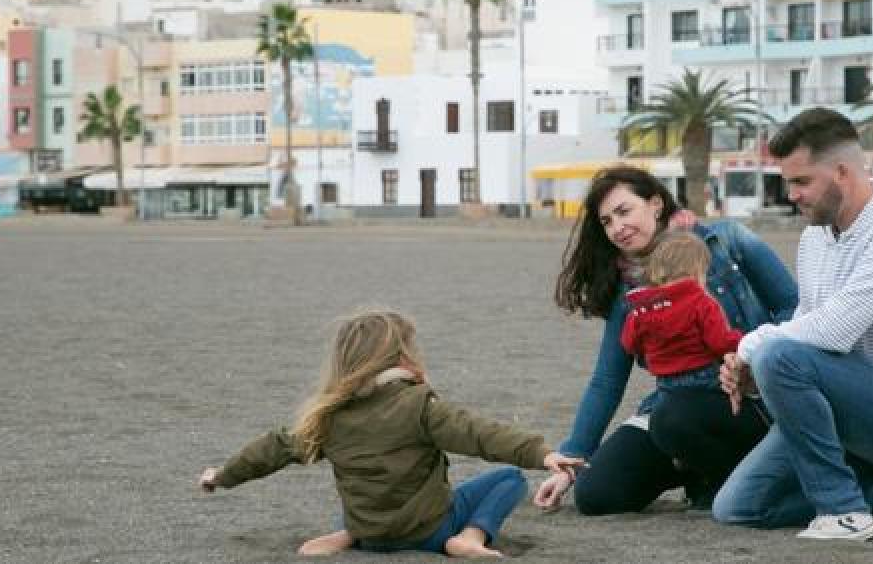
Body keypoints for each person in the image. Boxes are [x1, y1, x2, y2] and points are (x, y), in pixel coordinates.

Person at [713, 108, 873, 541]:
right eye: (787, 182)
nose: (791, 194)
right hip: (850, 405)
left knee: (776, 353)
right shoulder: (817, 235)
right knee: (738, 507)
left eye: (801, 182)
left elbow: (833, 332)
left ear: (843, 173)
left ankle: (845, 512)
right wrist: (759, 372)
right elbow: (808, 326)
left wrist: (750, 348)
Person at [198, 310, 584, 558]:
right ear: (401, 359)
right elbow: (479, 433)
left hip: (373, 533)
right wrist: (542, 454)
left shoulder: (327, 419)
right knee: (507, 478)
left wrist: (223, 475)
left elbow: (272, 449)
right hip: (430, 532)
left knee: (363, 482)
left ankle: (348, 535)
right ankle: (470, 537)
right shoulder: (419, 405)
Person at [534, 165, 798, 515]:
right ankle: (696, 466)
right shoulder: (629, 288)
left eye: (624, 211)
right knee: (598, 494)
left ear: (655, 204)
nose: (617, 228)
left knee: (675, 419)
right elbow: (607, 380)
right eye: (606, 221)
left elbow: (793, 308)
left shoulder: (728, 240)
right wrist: (571, 460)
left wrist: (752, 355)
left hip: (754, 399)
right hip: (676, 407)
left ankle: (730, 481)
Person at [620, 229, 745, 408]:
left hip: (665, 382)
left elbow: (629, 343)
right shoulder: (700, 301)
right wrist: (741, 339)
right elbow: (719, 343)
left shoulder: (642, 307)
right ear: (696, 272)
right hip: (702, 376)